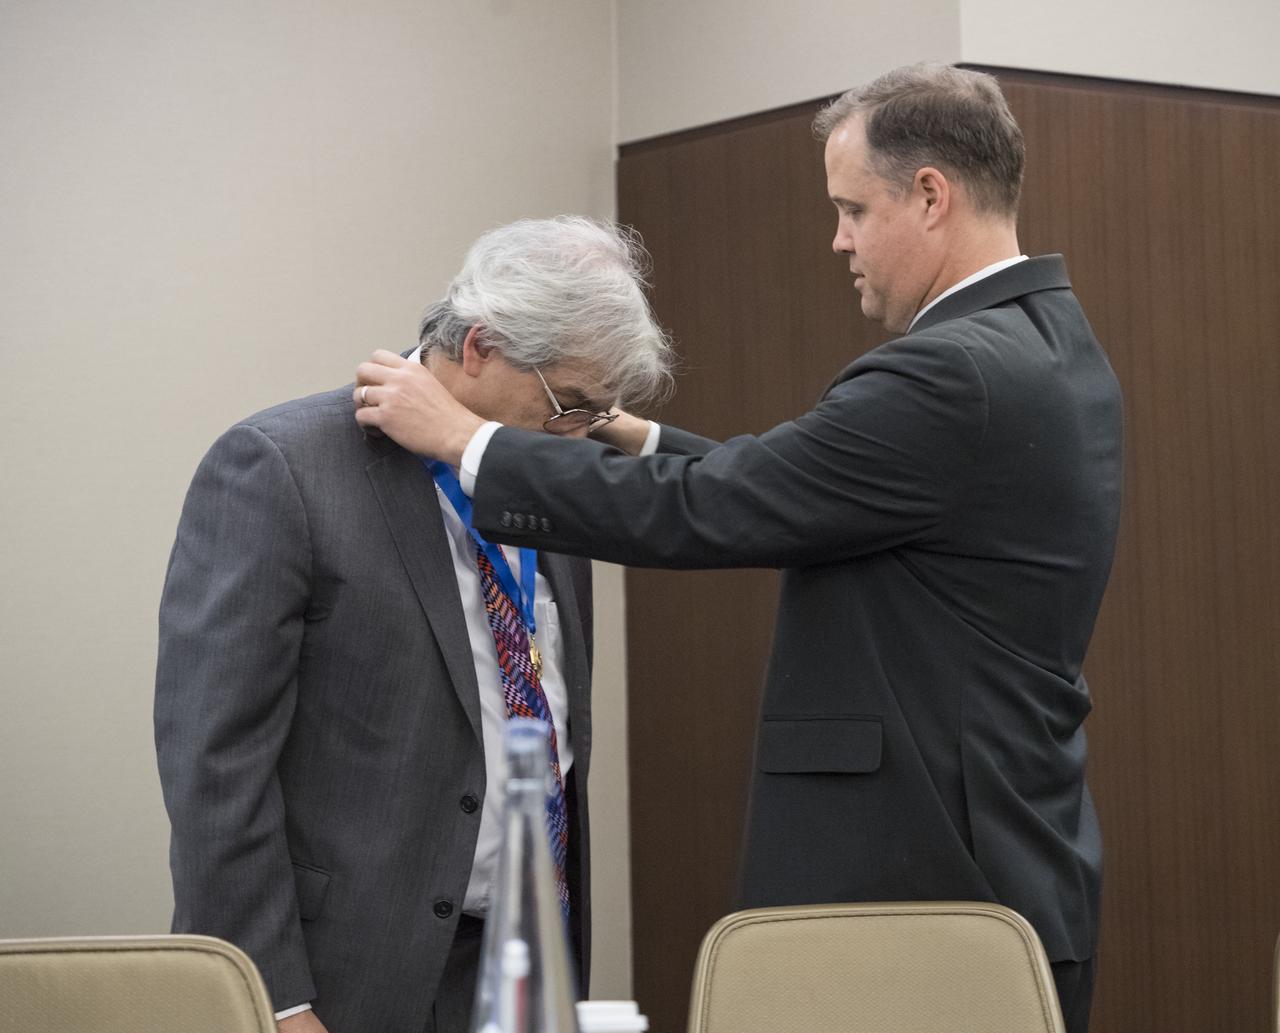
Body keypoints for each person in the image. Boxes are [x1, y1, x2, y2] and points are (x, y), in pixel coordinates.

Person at [352, 64, 1123, 1033]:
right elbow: (807, 495)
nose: (836, 238)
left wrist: (468, 441)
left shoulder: (947, 372)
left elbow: (718, 510)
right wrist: (628, 432)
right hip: (1003, 866)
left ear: (929, 195)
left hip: (923, 892)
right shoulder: (1047, 344)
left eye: (851, 208)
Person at [155, 216, 674, 1033]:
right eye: (569, 406)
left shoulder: (547, 472)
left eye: (595, 415)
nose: (577, 435)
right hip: (348, 973)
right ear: (480, 346)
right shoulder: (280, 466)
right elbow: (215, 763)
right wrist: (273, 999)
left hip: (523, 963)